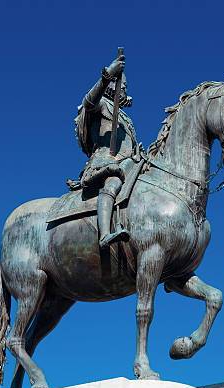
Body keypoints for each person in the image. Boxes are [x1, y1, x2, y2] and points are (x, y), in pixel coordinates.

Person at [73, 53, 138, 249]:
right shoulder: (101, 104)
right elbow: (88, 102)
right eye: (121, 84)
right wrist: (108, 75)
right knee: (113, 184)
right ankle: (104, 235)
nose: (124, 87)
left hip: (128, 162)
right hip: (106, 162)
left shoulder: (125, 117)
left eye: (125, 85)